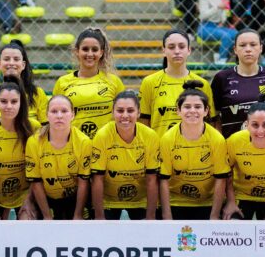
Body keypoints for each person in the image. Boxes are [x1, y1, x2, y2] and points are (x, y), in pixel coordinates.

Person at [159, 81, 229, 220]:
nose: (192, 110)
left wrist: (214, 216)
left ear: (206, 111)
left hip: (207, 202)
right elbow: (163, 180)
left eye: (198, 107)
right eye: (187, 107)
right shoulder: (167, 138)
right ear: (178, 110)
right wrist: (167, 216)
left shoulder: (217, 139)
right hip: (175, 202)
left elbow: (221, 179)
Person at [0, 76, 39, 220]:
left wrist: (29, 200)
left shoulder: (34, 128)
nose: (9, 106)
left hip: (25, 194)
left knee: (27, 224)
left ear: (21, 102)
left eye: (14, 101)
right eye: (4, 101)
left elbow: (39, 170)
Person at [91, 91, 160, 220]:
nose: (125, 115)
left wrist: (151, 217)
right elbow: (97, 179)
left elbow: (152, 179)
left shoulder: (150, 136)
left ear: (138, 113)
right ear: (112, 112)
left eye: (130, 110)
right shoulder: (102, 136)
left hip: (141, 201)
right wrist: (99, 217)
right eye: (120, 110)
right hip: (108, 201)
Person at [210, 28, 265, 139]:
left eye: (253, 44)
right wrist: (221, 139)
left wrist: (264, 135)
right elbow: (214, 117)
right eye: (242, 45)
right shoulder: (222, 78)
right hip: (232, 145)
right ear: (235, 49)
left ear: (261, 48)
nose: (248, 49)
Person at [26, 95, 92, 220]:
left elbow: (83, 182)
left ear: (72, 115)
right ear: (47, 115)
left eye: (64, 111)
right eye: (54, 111)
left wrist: (78, 215)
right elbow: (36, 182)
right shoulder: (34, 142)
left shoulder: (84, 142)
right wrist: (47, 216)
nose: (59, 116)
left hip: (74, 198)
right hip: (46, 198)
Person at [139, 29, 216, 135]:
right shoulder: (149, 82)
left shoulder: (202, 84)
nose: (177, 51)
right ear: (164, 51)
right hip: (161, 144)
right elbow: (143, 123)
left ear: (189, 50)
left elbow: (211, 123)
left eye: (181, 46)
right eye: (171, 47)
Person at [52, 28, 125, 139]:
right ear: (77, 51)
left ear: (101, 52)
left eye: (94, 49)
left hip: (107, 144)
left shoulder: (114, 81)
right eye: (85, 49)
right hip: (74, 144)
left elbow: (123, 116)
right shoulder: (62, 83)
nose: (90, 54)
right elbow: (55, 119)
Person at [0, 40, 48, 128]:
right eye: (6, 59)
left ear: (23, 65)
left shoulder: (37, 94)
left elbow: (46, 129)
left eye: (16, 59)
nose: (11, 63)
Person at [197, 0, 238, 64]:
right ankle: (221, 60)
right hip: (206, 27)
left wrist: (222, 21)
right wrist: (217, 7)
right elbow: (203, 16)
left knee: (236, 34)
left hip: (217, 26)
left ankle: (219, 55)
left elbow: (223, 11)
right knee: (226, 36)